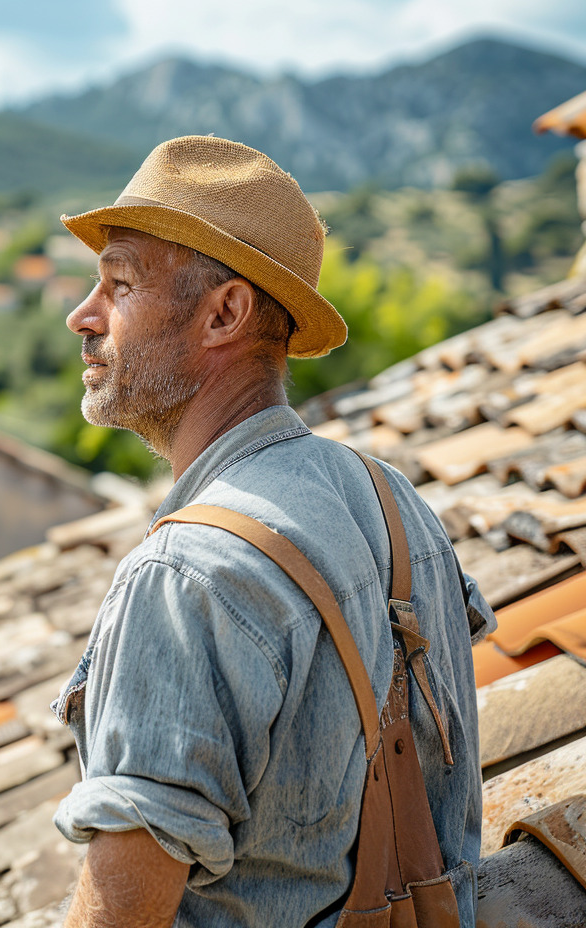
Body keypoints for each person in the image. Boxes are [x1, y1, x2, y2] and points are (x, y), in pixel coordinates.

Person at [50, 136, 496, 927]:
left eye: (118, 284)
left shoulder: (186, 575)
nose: (82, 316)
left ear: (225, 312)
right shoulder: (397, 504)